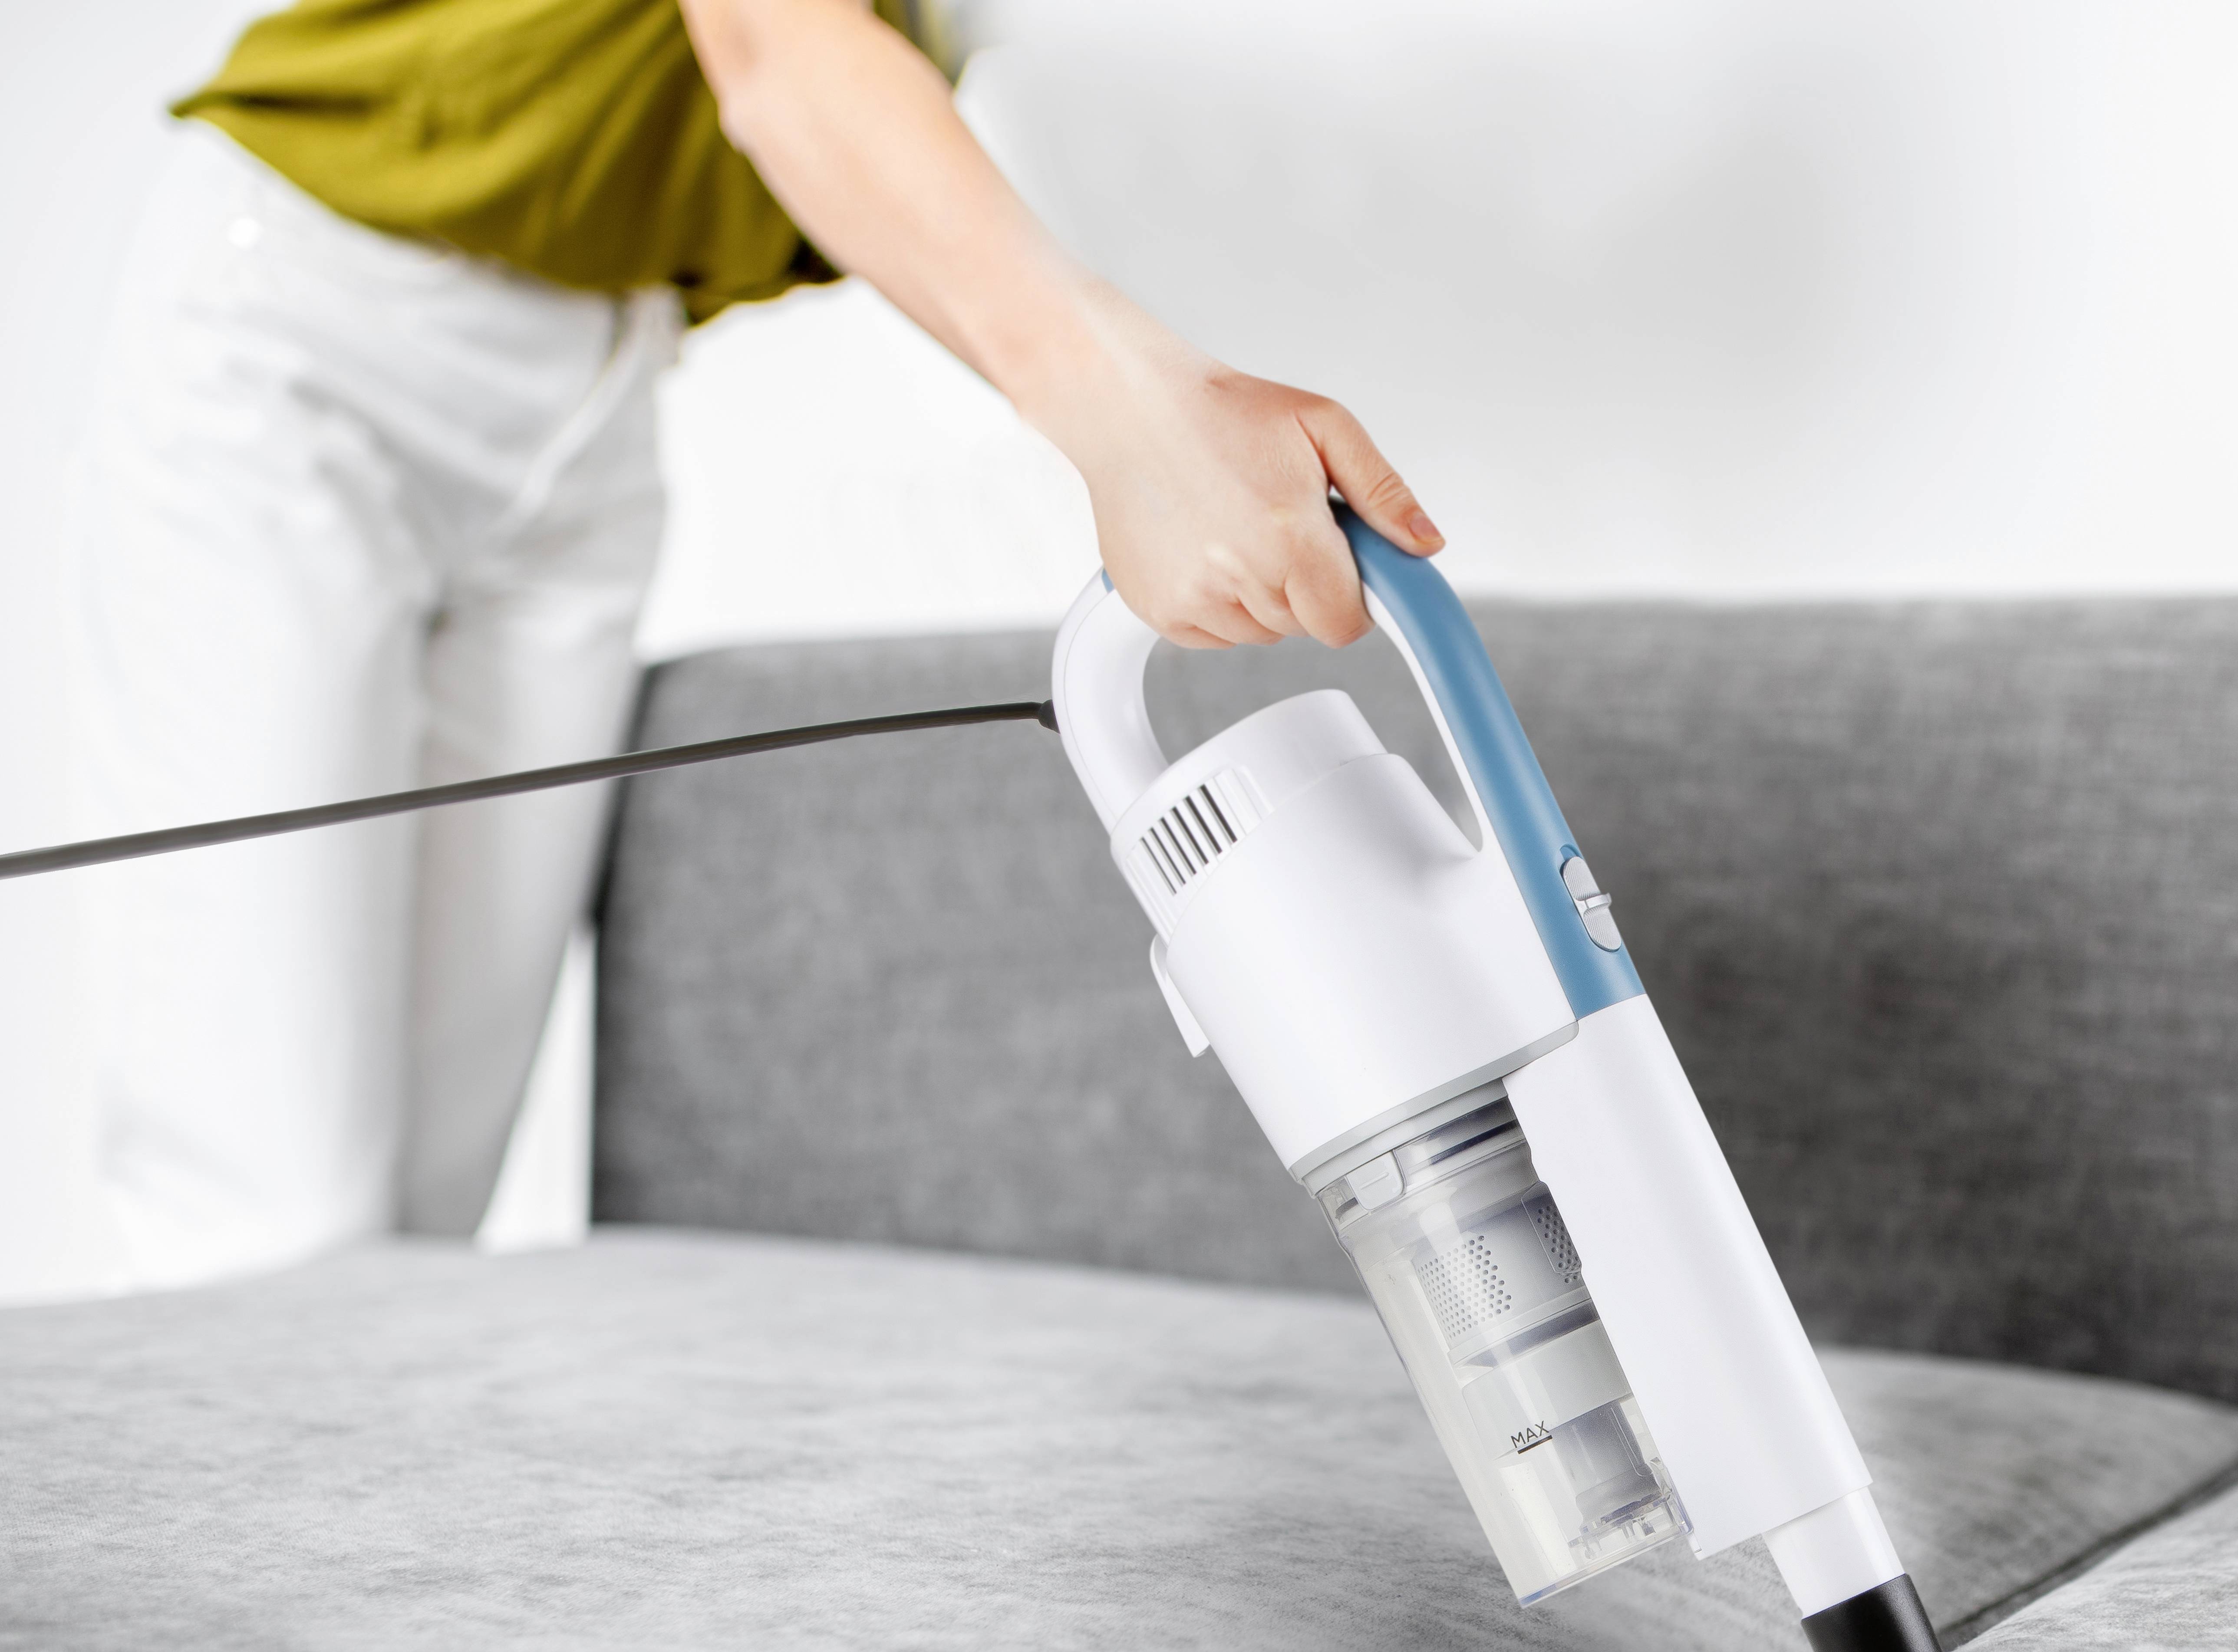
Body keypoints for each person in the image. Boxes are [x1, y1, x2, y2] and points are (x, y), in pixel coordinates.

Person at [74, 0, 1441, 1287]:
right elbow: (779, 55)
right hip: (317, 328)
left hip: (596, 399)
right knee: (264, 1222)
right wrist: (1139, 422)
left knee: (423, 1225)